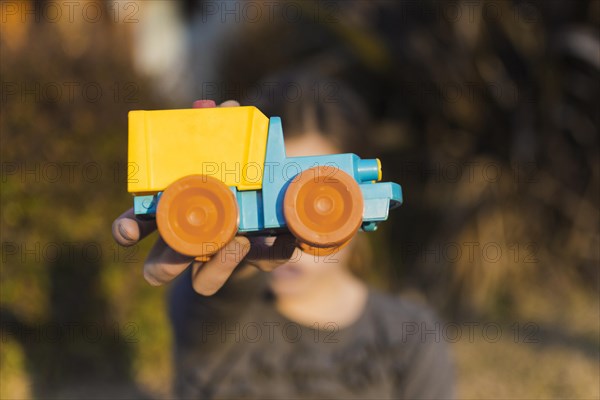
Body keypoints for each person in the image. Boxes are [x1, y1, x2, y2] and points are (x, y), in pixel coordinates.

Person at [112, 75, 455, 399]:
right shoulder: (217, 321)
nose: (291, 235)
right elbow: (210, 300)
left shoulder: (409, 336)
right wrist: (236, 263)